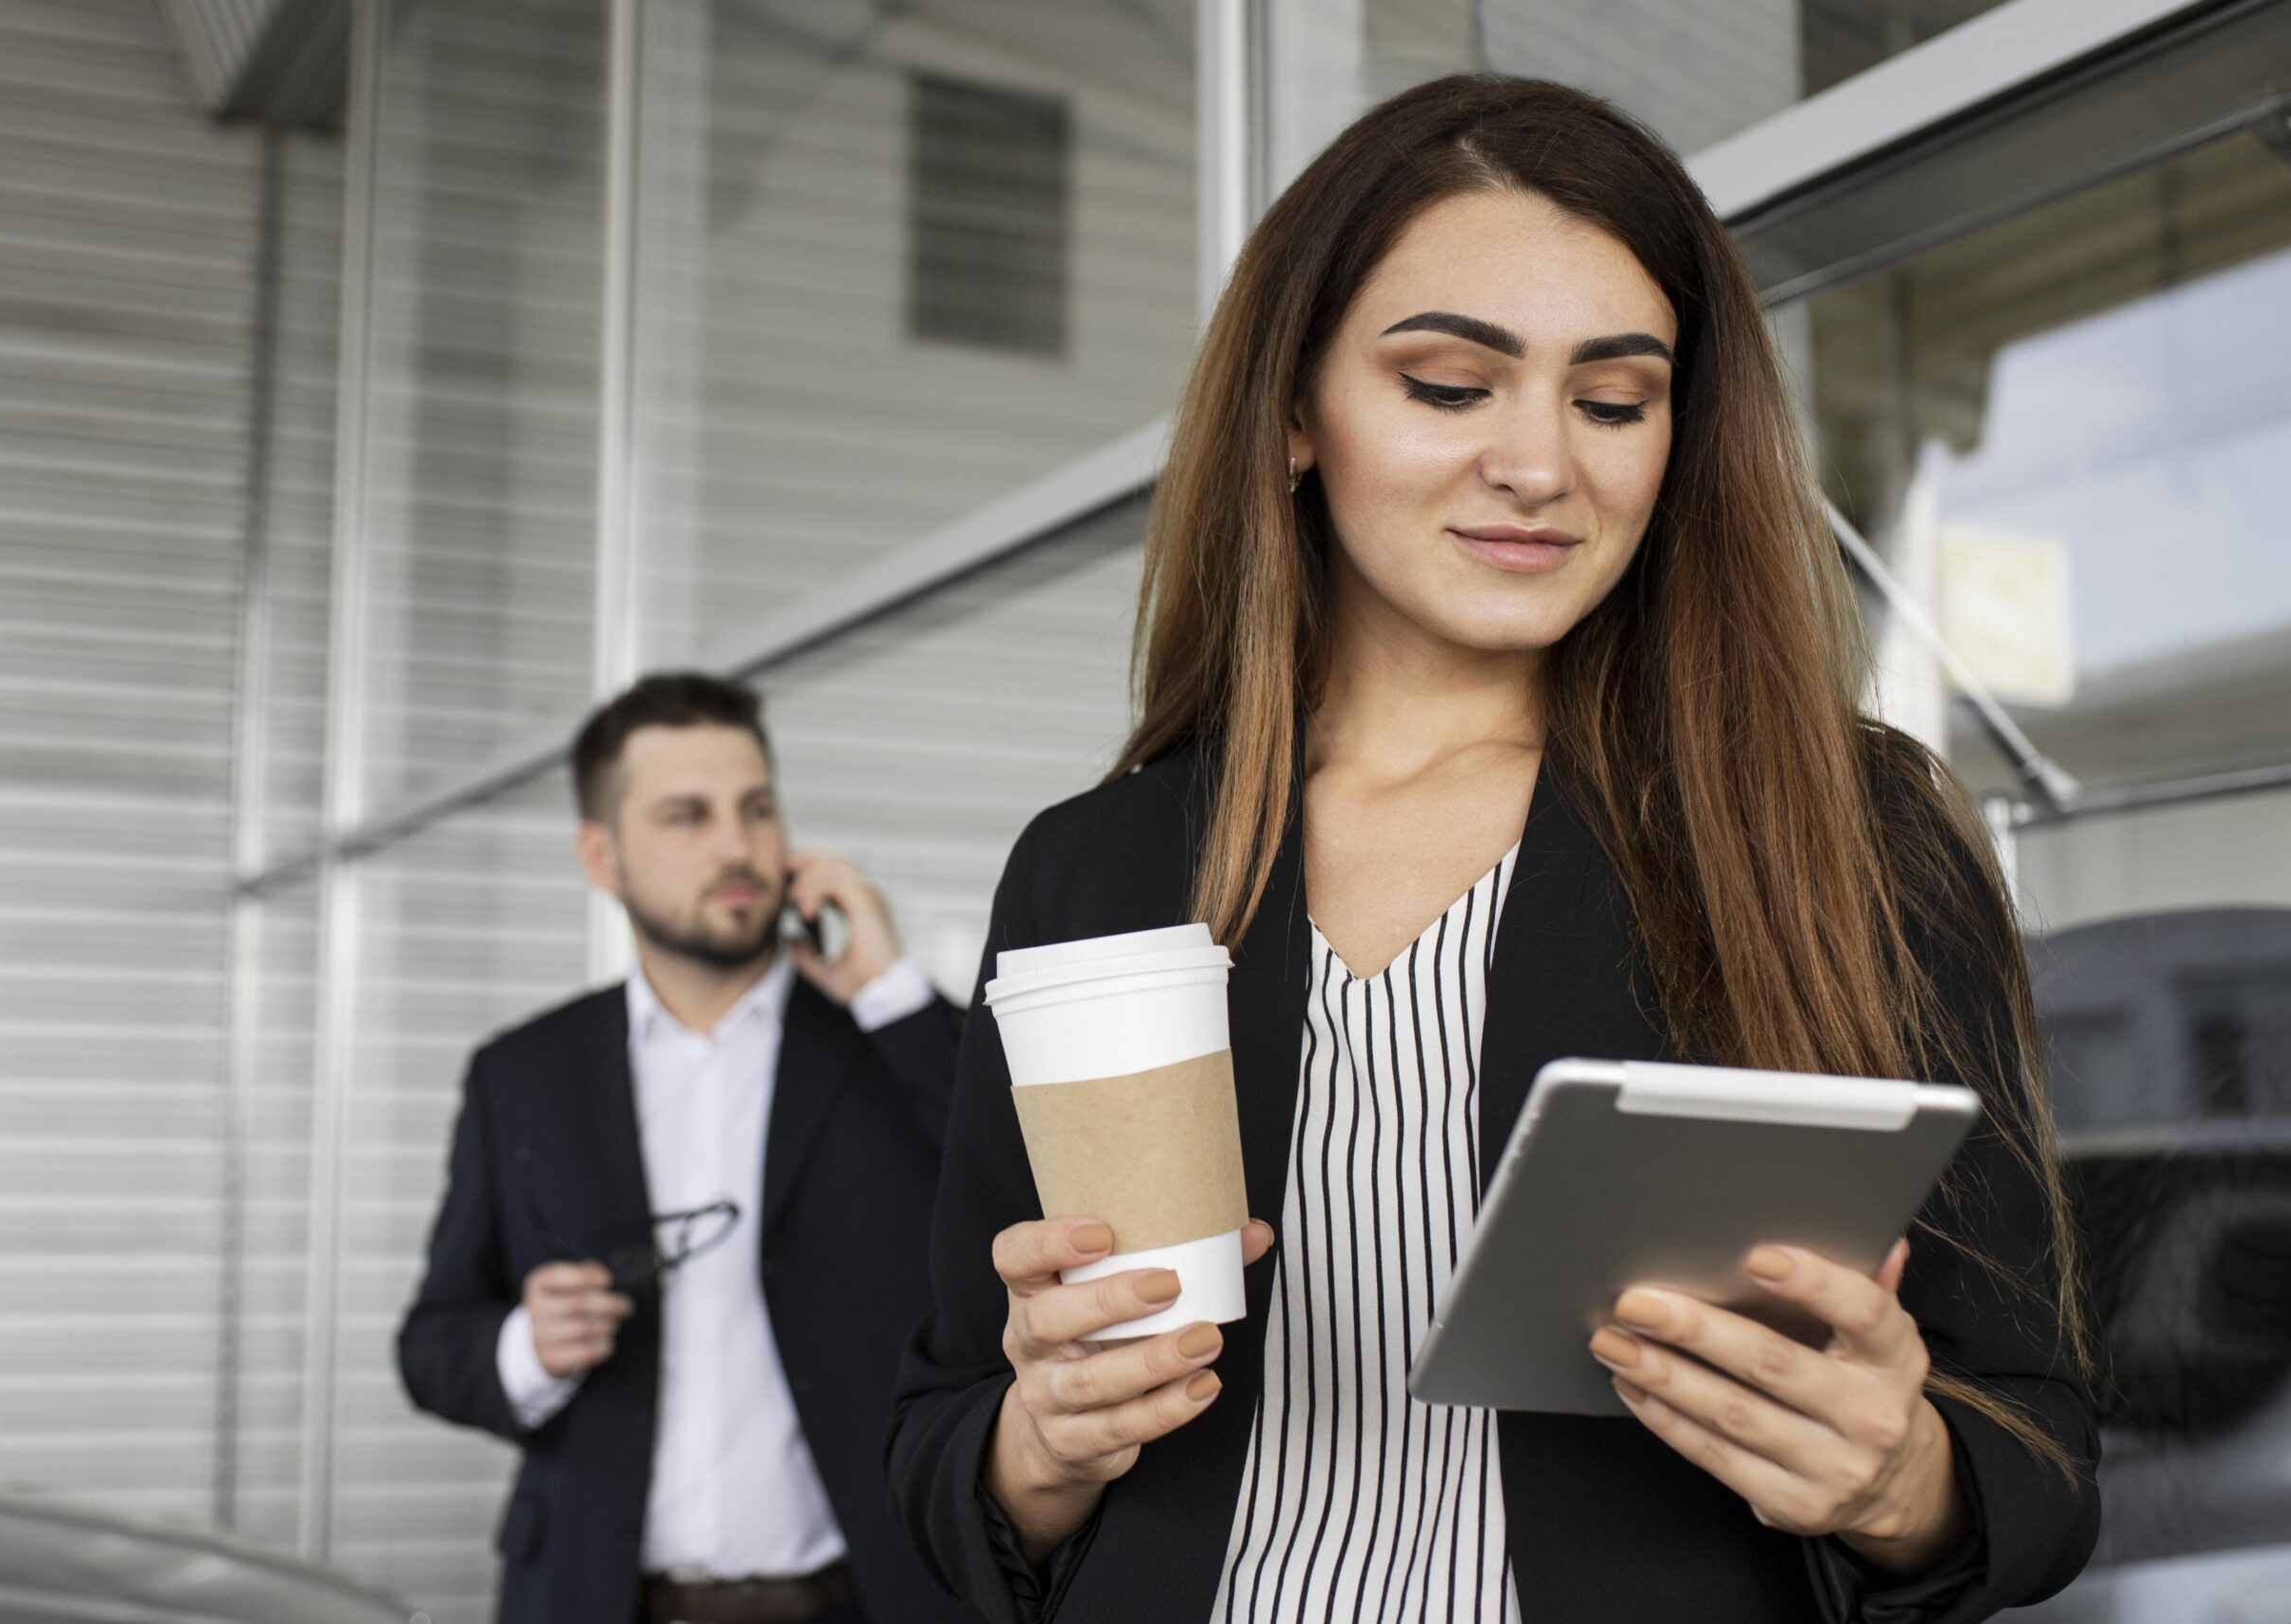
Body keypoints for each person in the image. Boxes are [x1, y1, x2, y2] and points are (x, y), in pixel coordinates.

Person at [889, 76, 2098, 1624]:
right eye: (1452, 386)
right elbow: (943, 1432)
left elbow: (2037, 1450)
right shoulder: (1094, 867)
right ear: (1292, 418)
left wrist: (1898, 1479)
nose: (1541, 464)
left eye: (1614, 401)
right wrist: (1042, 1441)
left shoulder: (1837, 834)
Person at [398, 672, 978, 1624]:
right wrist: (525, 1348)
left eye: (757, 808)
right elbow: (432, 1343)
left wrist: (892, 990)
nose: (737, 845)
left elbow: (1027, 1181)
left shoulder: (889, 1042)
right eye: (687, 815)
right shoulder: (522, 1074)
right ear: (602, 855)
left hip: (870, 1601)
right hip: (593, 1599)